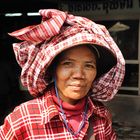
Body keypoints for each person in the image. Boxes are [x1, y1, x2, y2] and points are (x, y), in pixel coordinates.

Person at [0, 9, 125, 140]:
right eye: (68, 63)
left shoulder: (101, 115)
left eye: (89, 65)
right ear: (53, 69)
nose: (79, 74)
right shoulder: (23, 119)